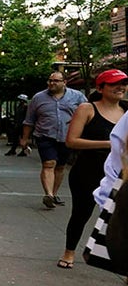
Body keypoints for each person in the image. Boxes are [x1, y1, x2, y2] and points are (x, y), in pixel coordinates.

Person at [57, 69, 128, 268]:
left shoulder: (126, 111)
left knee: (121, 218)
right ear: (100, 87)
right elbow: (71, 141)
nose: (120, 88)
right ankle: (69, 251)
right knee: (82, 212)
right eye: (114, 84)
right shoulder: (87, 109)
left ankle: (119, 259)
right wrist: (108, 144)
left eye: (123, 83)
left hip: (120, 172)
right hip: (88, 170)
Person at [20, 71, 86, 209]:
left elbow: (87, 114)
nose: (52, 83)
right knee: (49, 163)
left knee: (60, 166)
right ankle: (48, 194)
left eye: (56, 81)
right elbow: (29, 120)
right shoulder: (38, 98)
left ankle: (54, 194)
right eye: (50, 80)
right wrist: (24, 139)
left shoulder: (78, 97)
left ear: (64, 82)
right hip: (45, 136)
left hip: (67, 137)